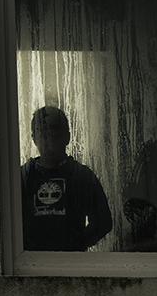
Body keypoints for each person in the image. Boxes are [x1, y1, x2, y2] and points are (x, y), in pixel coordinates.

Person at [21, 105, 113, 251]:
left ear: (67, 137)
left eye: (54, 130)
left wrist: (75, 245)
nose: (49, 137)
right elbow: (7, 224)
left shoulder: (82, 176)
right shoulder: (23, 177)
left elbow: (104, 222)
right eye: (43, 131)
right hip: (32, 264)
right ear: (34, 138)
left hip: (68, 264)